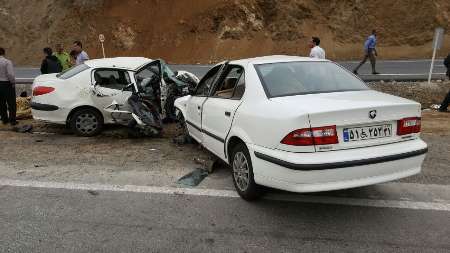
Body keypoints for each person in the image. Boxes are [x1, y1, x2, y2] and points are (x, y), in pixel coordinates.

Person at [0, 47, 17, 125]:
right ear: (4, 53)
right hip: (7, 84)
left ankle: (4, 120)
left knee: (1, 103)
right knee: (11, 103)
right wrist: (13, 82)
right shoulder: (7, 62)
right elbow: (10, 74)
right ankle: (12, 120)